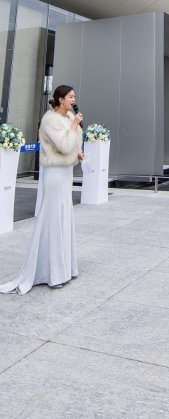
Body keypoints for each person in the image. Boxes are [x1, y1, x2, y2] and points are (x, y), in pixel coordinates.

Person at [0, 85, 83, 294]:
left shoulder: (69, 117)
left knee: (64, 216)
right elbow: (63, 145)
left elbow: (72, 145)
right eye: (70, 96)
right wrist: (74, 125)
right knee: (53, 217)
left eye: (74, 96)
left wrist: (78, 154)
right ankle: (52, 273)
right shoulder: (50, 120)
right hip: (54, 173)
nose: (73, 99)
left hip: (66, 172)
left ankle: (64, 268)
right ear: (60, 99)